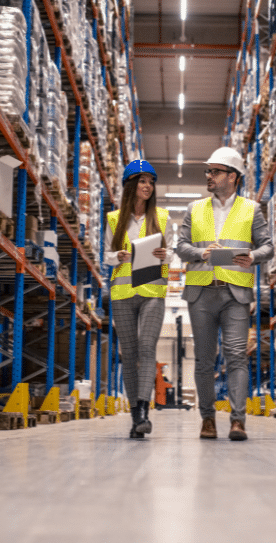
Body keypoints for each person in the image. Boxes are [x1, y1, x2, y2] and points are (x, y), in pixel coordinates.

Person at [175, 147, 273, 441]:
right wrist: (201, 253)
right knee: (205, 360)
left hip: (235, 294)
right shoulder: (194, 209)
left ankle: (237, 421)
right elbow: (180, 246)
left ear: (233, 177)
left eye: (215, 171)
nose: (209, 176)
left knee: (235, 357)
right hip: (201, 292)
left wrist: (253, 257)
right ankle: (207, 420)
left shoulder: (251, 209)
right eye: (208, 171)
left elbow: (268, 246)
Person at [105, 159, 174, 439]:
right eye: (143, 181)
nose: (148, 186)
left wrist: (164, 255)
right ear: (130, 185)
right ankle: (136, 417)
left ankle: (144, 412)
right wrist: (117, 256)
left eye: (151, 181)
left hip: (152, 291)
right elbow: (106, 257)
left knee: (147, 348)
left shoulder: (163, 217)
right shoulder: (113, 218)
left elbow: (171, 252)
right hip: (122, 293)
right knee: (129, 354)